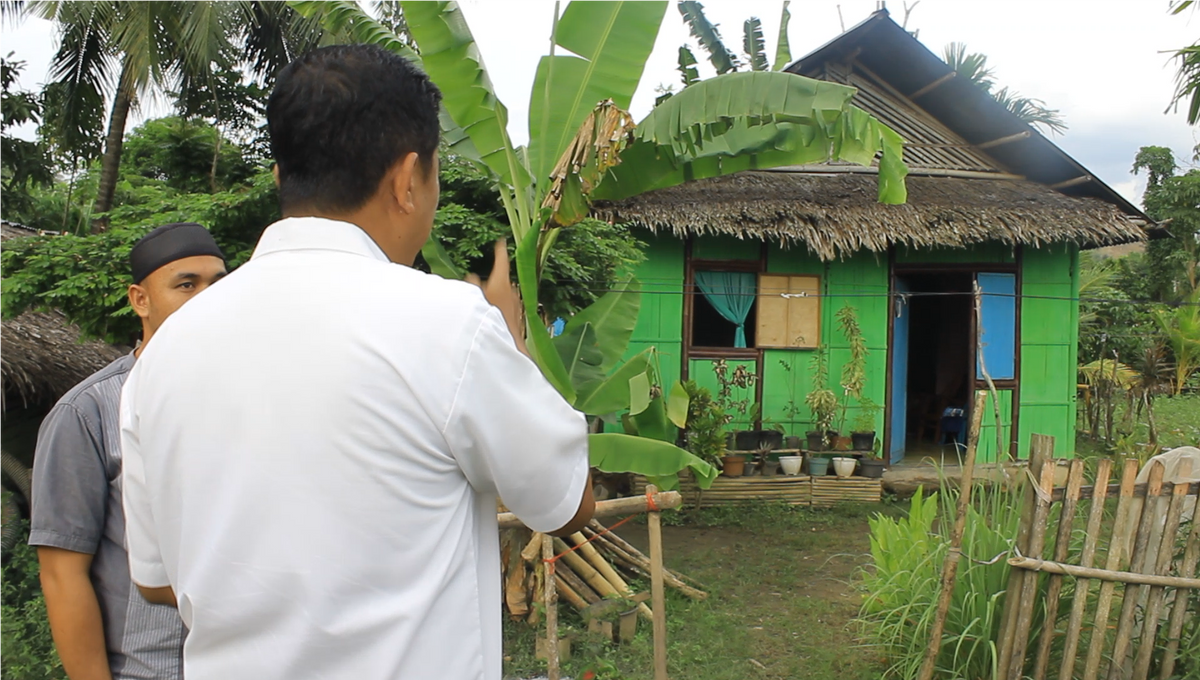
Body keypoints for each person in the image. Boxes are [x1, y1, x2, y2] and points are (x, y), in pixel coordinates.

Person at [119, 44, 595, 680]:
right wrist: (511, 347)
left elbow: (155, 582)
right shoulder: (448, 325)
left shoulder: (163, 355)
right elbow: (567, 504)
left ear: (280, 177)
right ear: (406, 181)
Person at [29, 222, 227, 680]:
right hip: (149, 668)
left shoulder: (249, 396)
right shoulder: (89, 411)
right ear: (140, 299)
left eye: (218, 284)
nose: (207, 299)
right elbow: (63, 573)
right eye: (186, 285)